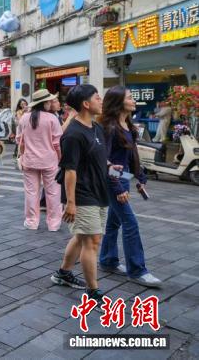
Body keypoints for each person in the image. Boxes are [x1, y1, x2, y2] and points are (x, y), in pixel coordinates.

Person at [50, 84, 117, 307]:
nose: (101, 100)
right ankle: (93, 291)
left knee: (81, 237)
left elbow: (97, 156)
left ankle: (63, 273)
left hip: (99, 190)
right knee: (92, 240)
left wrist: (110, 166)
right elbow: (70, 170)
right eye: (97, 97)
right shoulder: (73, 134)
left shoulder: (96, 127)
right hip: (82, 194)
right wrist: (71, 203)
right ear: (86, 104)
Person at [98, 86, 162, 288]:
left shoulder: (128, 125)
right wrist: (118, 189)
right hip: (113, 180)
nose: (134, 100)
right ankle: (137, 270)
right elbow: (105, 162)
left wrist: (140, 176)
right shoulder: (109, 128)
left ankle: (108, 260)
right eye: (129, 98)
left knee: (114, 222)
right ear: (118, 102)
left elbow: (132, 155)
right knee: (130, 223)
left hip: (123, 177)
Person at [16, 89, 63, 231]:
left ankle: (32, 222)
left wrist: (23, 155)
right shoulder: (52, 118)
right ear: (45, 103)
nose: (50, 103)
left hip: (30, 160)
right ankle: (54, 224)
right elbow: (57, 143)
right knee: (53, 192)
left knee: (31, 192)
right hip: (50, 160)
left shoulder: (24, 118)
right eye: (49, 101)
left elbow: (19, 140)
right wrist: (60, 158)